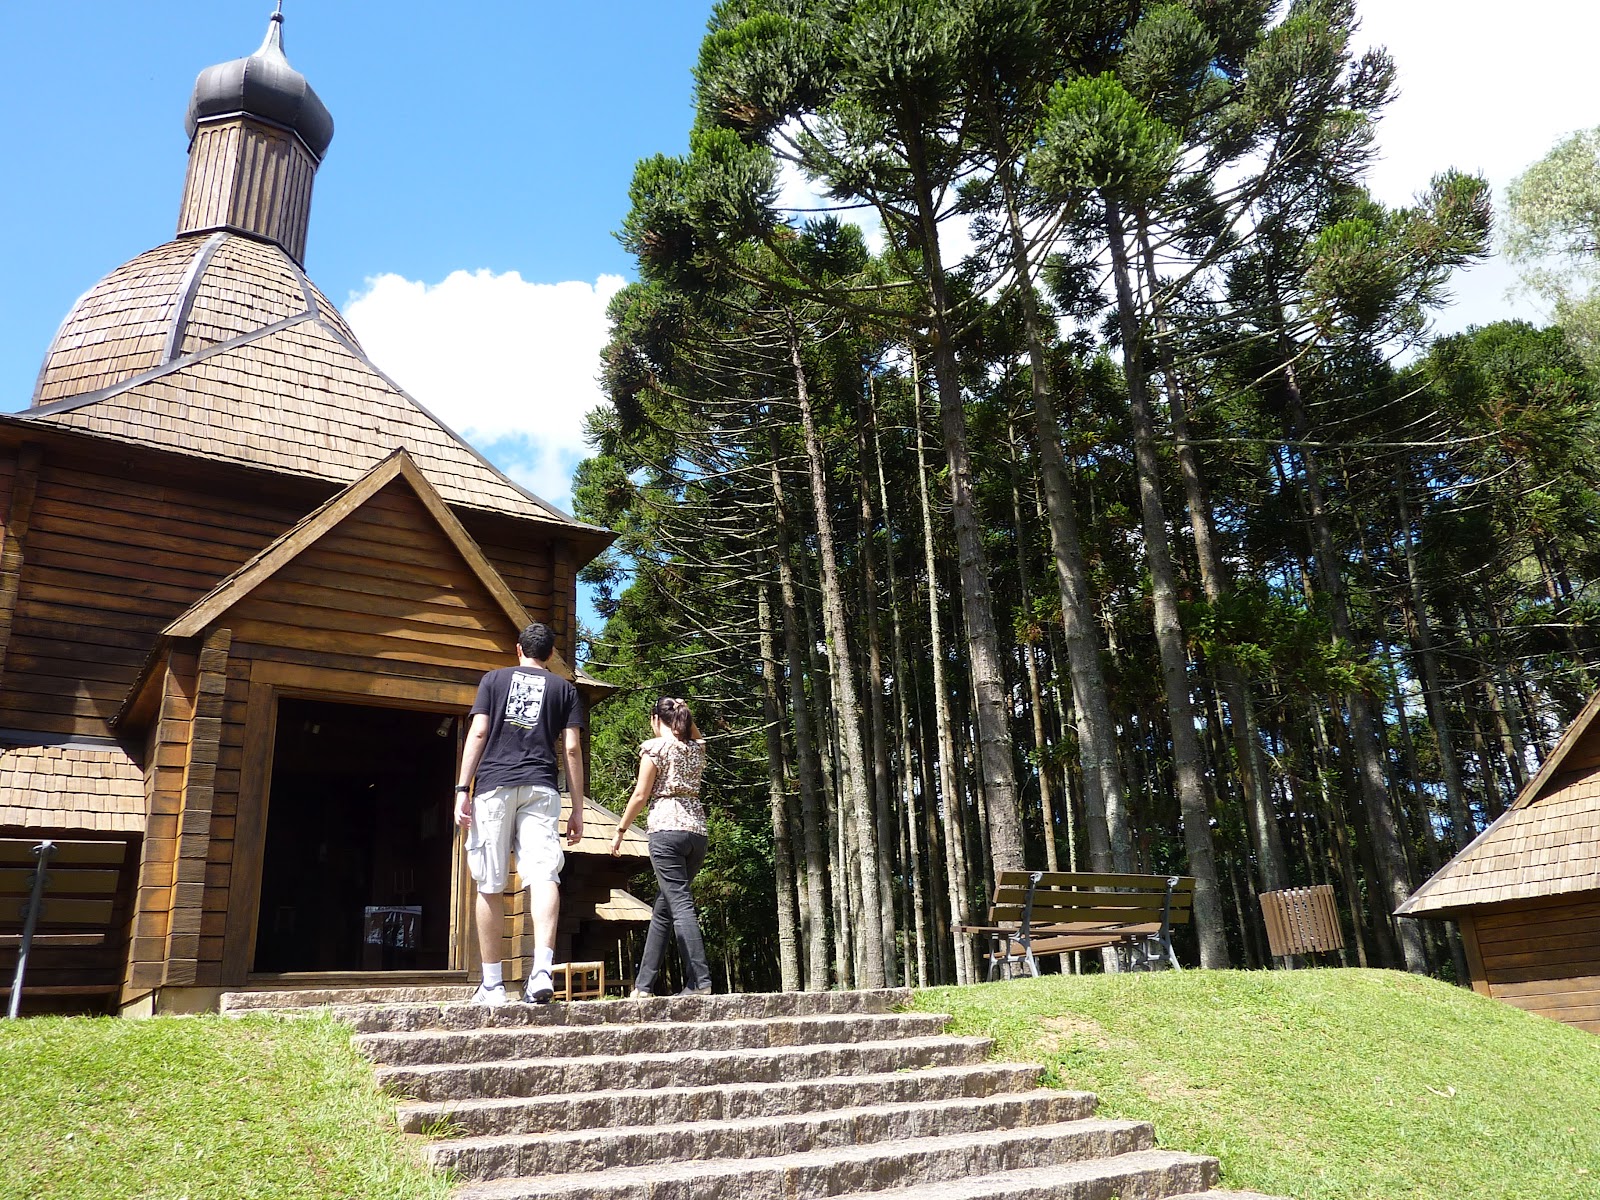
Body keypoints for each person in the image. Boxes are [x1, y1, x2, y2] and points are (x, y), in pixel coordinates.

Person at [455, 622, 585, 1006]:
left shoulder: (493, 681)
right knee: (543, 874)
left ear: (518, 650)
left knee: (490, 882)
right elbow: (573, 749)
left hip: (494, 786)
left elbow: (478, 733)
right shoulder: (565, 689)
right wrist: (577, 806)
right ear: (549, 655)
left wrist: (462, 788)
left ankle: (493, 984)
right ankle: (542, 970)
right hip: (542, 787)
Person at [610, 697, 713, 997]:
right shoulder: (696, 748)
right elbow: (695, 734)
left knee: (679, 905)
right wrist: (684, 712)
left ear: (656, 719)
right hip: (697, 832)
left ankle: (700, 981)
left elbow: (641, 794)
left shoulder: (654, 749)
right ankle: (643, 986)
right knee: (665, 907)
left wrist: (621, 830)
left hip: (666, 830)